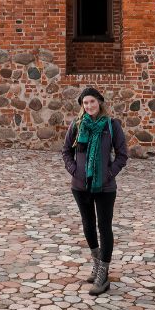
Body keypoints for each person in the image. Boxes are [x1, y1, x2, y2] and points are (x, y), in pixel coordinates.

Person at [62, 86, 128, 295]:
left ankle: (103, 274)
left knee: (104, 226)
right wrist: (74, 171)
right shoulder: (78, 124)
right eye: (85, 103)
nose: (89, 106)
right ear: (82, 106)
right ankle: (97, 265)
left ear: (99, 102)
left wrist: (109, 174)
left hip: (105, 186)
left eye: (92, 101)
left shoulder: (111, 125)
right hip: (80, 186)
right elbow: (66, 152)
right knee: (88, 225)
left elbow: (122, 155)